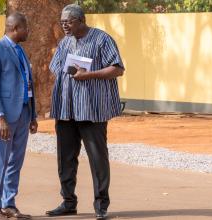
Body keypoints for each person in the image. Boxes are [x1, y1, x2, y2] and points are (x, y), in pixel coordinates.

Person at [46, 4, 124, 220]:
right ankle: (68, 202)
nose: (64, 26)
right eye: (62, 22)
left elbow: (117, 69)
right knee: (66, 158)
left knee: (98, 158)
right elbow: (57, 69)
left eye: (68, 22)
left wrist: (89, 75)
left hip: (92, 110)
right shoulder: (64, 42)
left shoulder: (102, 39)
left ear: (81, 20)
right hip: (66, 109)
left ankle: (101, 205)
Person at [0, 12, 38, 220]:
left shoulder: (21, 51)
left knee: (16, 162)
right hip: (4, 117)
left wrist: (32, 115)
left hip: (23, 114)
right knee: (0, 161)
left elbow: (28, 84)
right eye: (25, 28)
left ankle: (9, 204)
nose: (28, 31)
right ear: (15, 28)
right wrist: (0, 117)